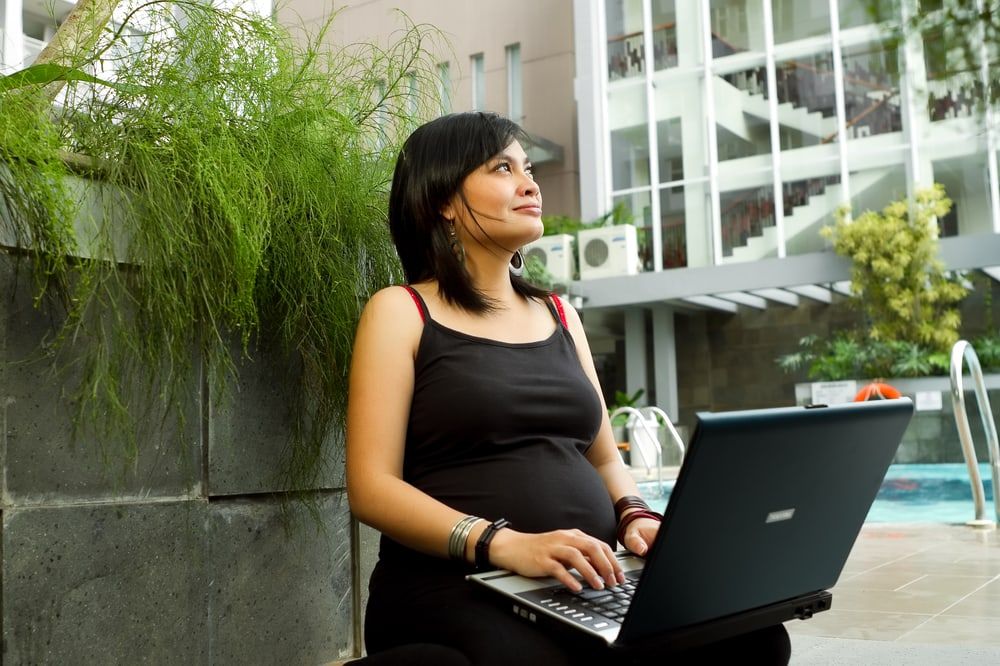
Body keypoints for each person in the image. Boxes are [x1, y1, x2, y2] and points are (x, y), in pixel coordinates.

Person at [345, 112, 790, 665]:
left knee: (756, 637)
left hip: (580, 579)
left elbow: (604, 458)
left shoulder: (559, 313)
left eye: (527, 168)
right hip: (454, 582)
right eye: (501, 168)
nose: (529, 183)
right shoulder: (402, 311)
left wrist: (636, 516)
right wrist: (504, 544)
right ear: (443, 200)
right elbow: (371, 486)